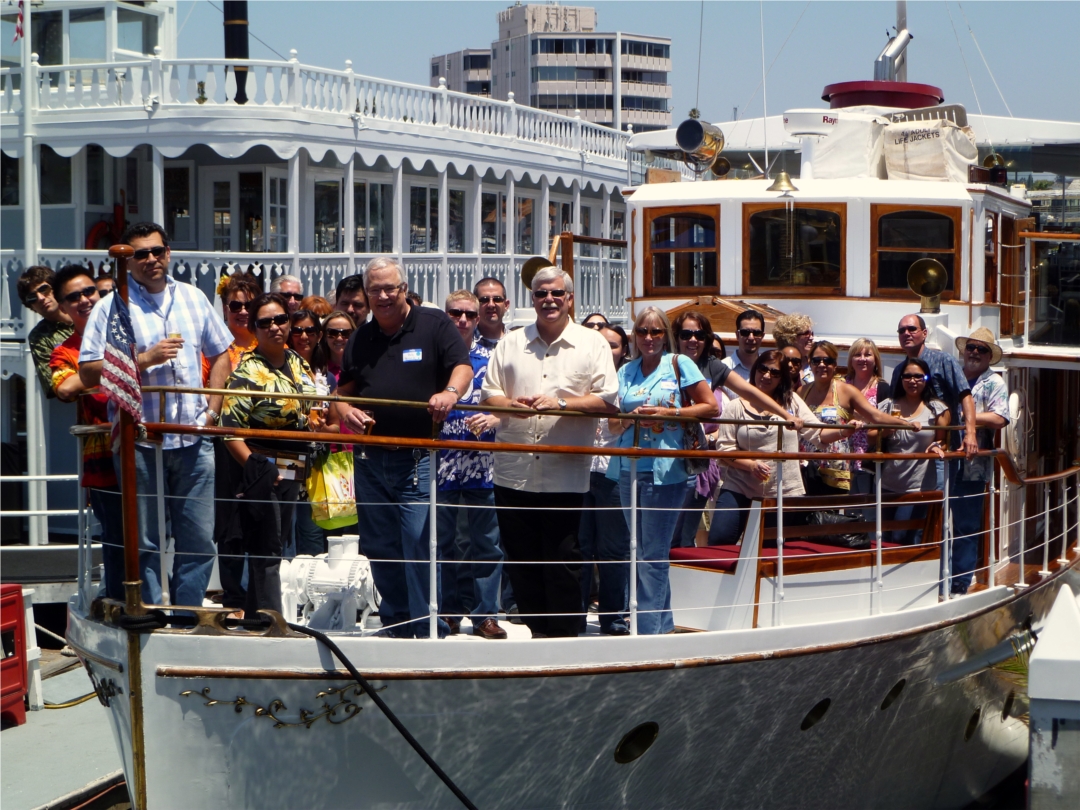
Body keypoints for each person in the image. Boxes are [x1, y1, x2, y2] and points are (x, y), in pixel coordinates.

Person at [79, 222, 234, 607]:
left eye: (157, 251)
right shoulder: (112, 307)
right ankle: (149, 614)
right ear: (127, 261)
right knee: (144, 538)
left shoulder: (195, 298)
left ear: (168, 252)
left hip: (193, 437)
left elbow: (222, 356)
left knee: (198, 536)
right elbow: (87, 371)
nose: (151, 259)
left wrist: (211, 414)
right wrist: (145, 360)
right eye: (140, 254)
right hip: (140, 437)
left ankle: (186, 614)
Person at [330, 257, 473, 638]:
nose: (382, 296)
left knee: (418, 544)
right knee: (379, 546)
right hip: (369, 459)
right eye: (374, 289)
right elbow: (341, 395)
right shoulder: (360, 337)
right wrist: (348, 413)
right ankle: (396, 622)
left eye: (389, 288)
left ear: (404, 289)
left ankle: (427, 625)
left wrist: (449, 392)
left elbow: (462, 367)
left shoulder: (434, 324)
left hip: (416, 459)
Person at [481, 266, 619, 638]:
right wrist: (512, 404)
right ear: (532, 299)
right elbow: (489, 394)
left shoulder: (593, 344)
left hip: (566, 473)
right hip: (514, 471)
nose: (549, 300)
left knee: (564, 560)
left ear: (569, 298)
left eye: (556, 293)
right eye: (541, 294)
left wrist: (561, 401)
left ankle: (565, 638)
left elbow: (608, 401)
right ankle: (537, 637)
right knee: (522, 560)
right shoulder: (510, 342)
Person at [607, 307, 719, 634]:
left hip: (665, 470)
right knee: (641, 552)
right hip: (628, 468)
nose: (649, 338)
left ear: (665, 336)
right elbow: (613, 423)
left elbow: (710, 406)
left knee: (651, 556)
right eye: (643, 331)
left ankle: (647, 633)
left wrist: (669, 413)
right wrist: (633, 418)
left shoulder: (678, 364)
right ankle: (663, 625)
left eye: (656, 332)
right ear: (634, 335)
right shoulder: (626, 371)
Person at [221, 293, 317, 617]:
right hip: (261, 464)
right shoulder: (247, 372)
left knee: (278, 538)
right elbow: (229, 429)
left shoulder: (298, 362)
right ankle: (270, 619)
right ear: (254, 328)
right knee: (267, 544)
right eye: (265, 322)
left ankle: (254, 616)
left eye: (280, 320)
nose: (275, 327)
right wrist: (257, 467)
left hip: (294, 462)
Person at [710, 351, 853, 546]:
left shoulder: (792, 401)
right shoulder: (735, 406)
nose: (767, 376)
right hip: (739, 486)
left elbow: (817, 435)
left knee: (767, 549)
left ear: (782, 378)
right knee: (719, 541)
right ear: (755, 371)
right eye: (763, 369)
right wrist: (751, 465)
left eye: (775, 373)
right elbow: (725, 450)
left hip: (781, 489)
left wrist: (844, 432)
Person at [48, 265, 123, 600]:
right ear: (62, 308)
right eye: (73, 297)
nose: (84, 300)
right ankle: (121, 602)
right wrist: (128, 365)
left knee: (157, 532)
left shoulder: (129, 333)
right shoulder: (64, 351)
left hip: (148, 448)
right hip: (103, 457)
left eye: (89, 291)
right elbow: (64, 386)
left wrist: (91, 374)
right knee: (116, 535)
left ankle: (158, 600)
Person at [435, 290, 507, 639]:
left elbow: (510, 400)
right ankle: (447, 612)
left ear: (478, 318)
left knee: (487, 545)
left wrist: (496, 417)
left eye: (468, 314)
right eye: (454, 313)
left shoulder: (494, 356)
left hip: (484, 465)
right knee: (441, 542)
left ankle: (485, 616)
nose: (462, 320)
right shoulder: (434, 356)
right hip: (442, 465)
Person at [797, 341, 913, 495]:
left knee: (833, 517)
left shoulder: (847, 390)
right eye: (817, 361)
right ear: (810, 364)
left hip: (835, 471)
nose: (822, 365)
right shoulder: (801, 391)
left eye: (828, 361)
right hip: (805, 468)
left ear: (835, 364)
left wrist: (904, 423)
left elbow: (875, 415)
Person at [210, 273, 262, 613]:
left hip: (265, 443)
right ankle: (233, 597)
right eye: (235, 305)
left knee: (264, 519)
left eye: (249, 305)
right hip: (226, 445)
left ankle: (262, 597)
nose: (242, 311)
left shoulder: (275, 344)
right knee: (229, 522)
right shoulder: (214, 350)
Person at [578, 323, 631, 634]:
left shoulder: (630, 379)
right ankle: (575, 615)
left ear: (623, 349)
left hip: (613, 472)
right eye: (601, 344)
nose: (607, 349)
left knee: (613, 550)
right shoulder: (580, 376)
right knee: (580, 547)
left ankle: (612, 618)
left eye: (613, 344)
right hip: (580, 470)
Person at [471, 276, 517, 619]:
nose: (490, 304)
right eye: (483, 299)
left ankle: (493, 611)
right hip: (460, 460)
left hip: (505, 460)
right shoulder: (459, 345)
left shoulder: (519, 346)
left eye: (496, 299)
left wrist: (499, 418)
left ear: (506, 305)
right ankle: (459, 609)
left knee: (498, 541)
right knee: (458, 542)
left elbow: (531, 396)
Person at [950, 328, 1008, 594]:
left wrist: (968, 417)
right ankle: (933, 579)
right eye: (971, 347)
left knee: (966, 526)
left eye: (981, 349)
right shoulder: (953, 376)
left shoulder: (995, 382)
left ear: (989, 356)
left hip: (973, 467)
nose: (974, 352)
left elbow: (999, 418)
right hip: (943, 461)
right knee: (935, 522)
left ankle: (960, 584)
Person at [874, 357, 950, 545]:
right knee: (884, 538)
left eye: (918, 376)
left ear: (926, 379)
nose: (913, 381)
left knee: (905, 537)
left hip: (919, 486)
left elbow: (944, 440)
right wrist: (889, 429)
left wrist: (937, 446)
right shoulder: (887, 406)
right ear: (901, 379)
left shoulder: (937, 409)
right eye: (907, 376)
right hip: (888, 484)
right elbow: (871, 435)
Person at [288, 308, 339, 558]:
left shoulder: (326, 377)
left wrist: (320, 429)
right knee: (284, 529)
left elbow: (336, 427)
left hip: (316, 462)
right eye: (297, 330)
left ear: (319, 335)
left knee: (311, 532)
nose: (303, 336)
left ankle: (310, 595)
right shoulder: (279, 371)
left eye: (310, 330)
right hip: (286, 456)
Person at [892, 314, 978, 460]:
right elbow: (894, 404)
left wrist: (970, 434)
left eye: (912, 329)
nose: (906, 333)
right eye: (902, 331)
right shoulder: (899, 370)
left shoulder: (944, 361)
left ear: (924, 333)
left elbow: (966, 396)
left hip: (943, 451)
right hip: (909, 451)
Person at [845, 338, 892, 497]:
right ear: (851, 360)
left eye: (868, 355)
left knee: (869, 512)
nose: (862, 359)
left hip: (870, 460)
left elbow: (887, 421)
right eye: (857, 354)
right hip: (844, 459)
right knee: (849, 513)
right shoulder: (841, 385)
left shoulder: (883, 388)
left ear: (876, 360)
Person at [18, 265, 74, 396]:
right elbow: (53, 385)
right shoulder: (39, 337)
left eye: (44, 289)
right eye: (32, 298)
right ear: (30, 306)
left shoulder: (83, 309)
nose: (41, 298)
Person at [721, 308, 764, 383]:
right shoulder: (722, 368)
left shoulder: (770, 370)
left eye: (756, 333)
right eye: (745, 332)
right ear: (737, 335)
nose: (751, 337)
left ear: (762, 336)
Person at [773, 313, 815, 385]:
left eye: (812, 334)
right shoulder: (776, 363)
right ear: (791, 337)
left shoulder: (816, 364)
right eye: (806, 333)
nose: (811, 338)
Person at [320, 311, 356, 380]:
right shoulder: (316, 369)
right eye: (332, 333)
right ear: (324, 335)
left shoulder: (361, 368)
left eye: (345, 333)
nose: (339, 338)